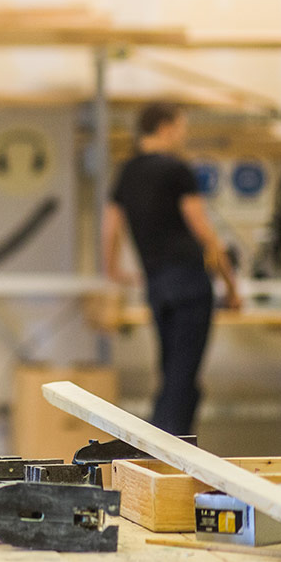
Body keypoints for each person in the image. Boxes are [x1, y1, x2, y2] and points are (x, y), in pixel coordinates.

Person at [103, 101, 240, 436]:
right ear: (164, 127)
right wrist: (231, 286)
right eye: (181, 128)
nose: (183, 135)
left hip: (158, 286)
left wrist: (113, 271)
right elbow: (204, 232)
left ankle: (167, 448)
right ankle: (162, 452)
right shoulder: (177, 170)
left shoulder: (127, 172)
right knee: (181, 381)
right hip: (190, 283)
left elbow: (110, 228)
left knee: (174, 376)